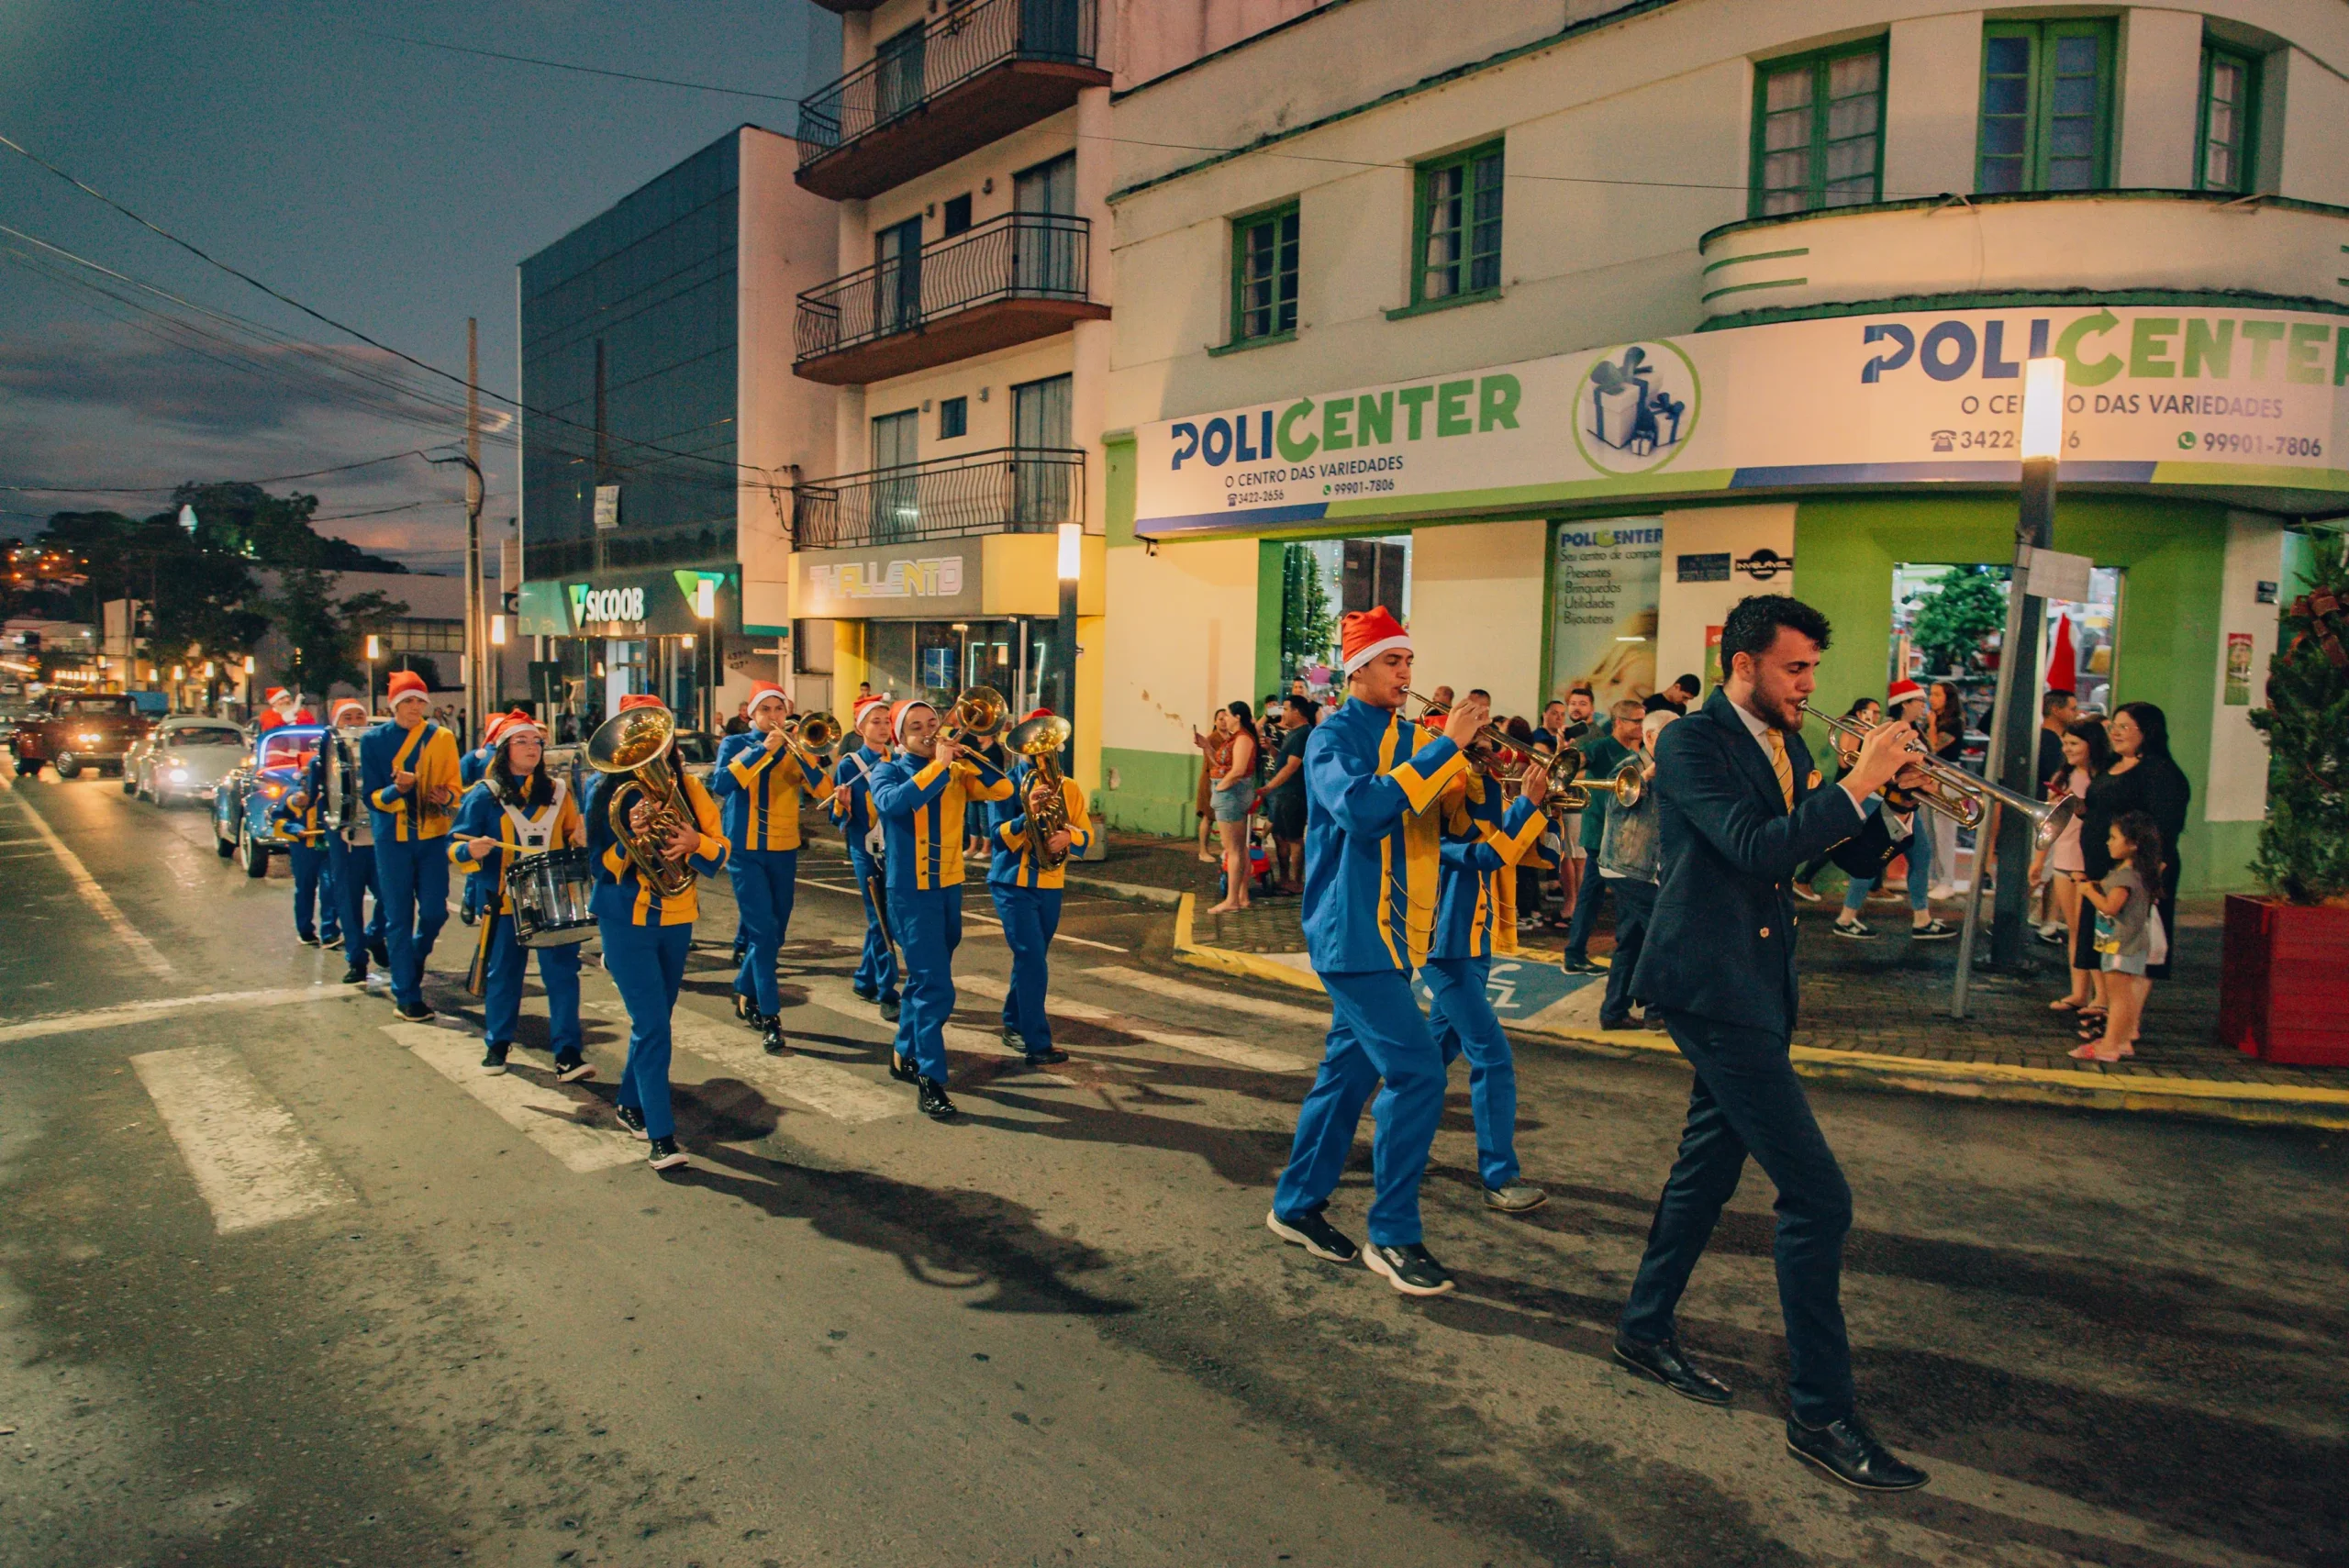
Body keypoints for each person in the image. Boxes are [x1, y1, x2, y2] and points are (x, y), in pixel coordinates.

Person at [1614, 593, 1931, 1493]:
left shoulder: (1790, 744)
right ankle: (1821, 1413)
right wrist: (1857, 780)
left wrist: (1888, 804)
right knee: (1819, 1197)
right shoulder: (1688, 740)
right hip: (1708, 985)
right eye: (1794, 668)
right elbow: (1755, 847)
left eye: (1813, 670)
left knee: (1707, 1168)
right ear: (1742, 663)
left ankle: (1643, 1327)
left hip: (1760, 986)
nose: (1808, 684)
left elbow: (1844, 861)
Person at [1266, 606, 1485, 1297]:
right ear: (1358, 670)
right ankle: (1390, 1235)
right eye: (1394, 662)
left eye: (1410, 662)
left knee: (1346, 1076)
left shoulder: (1405, 733)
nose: (1406, 673)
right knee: (1419, 1074)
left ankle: (1296, 1204)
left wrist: (1478, 771)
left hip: (1395, 933)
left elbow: (1445, 819)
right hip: (1351, 931)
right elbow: (1360, 809)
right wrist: (1443, 749)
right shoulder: (1334, 736)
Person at [586, 694, 729, 1171]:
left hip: (676, 917)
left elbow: (721, 853)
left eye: (657, 739)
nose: (653, 751)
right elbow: (599, 867)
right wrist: (628, 836)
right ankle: (661, 1136)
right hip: (625, 921)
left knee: (655, 1023)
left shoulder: (690, 787)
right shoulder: (606, 793)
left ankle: (629, 1101)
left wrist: (696, 843)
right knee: (653, 1027)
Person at [869, 699, 1012, 1118]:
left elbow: (1001, 790)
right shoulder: (888, 770)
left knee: (924, 981)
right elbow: (895, 805)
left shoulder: (955, 767)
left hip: (948, 886)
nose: (928, 731)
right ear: (899, 735)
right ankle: (931, 1078)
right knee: (936, 986)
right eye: (916, 727)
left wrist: (971, 756)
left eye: (934, 723)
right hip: (909, 892)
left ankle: (902, 1051)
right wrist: (940, 766)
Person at [1426, 734, 1551, 1214]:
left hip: (1474, 942)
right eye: (1474, 742)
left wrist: (1542, 808)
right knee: (1493, 1057)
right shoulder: (1434, 802)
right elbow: (1486, 853)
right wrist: (1528, 804)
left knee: (1431, 1057)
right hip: (1443, 946)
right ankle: (1499, 1176)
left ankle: (1395, 1142)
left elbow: (1517, 848)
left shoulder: (1479, 789)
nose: (1487, 753)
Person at [451, 710, 591, 1079]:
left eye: (536, 742)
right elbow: (453, 846)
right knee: (504, 975)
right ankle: (497, 1043)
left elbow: (573, 832)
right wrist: (469, 852)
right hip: (503, 901)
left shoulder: (559, 792)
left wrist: (581, 839)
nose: (532, 748)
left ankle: (568, 1053)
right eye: (521, 741)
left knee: (562, 976)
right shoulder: (484, 795)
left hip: (553, 899)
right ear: (503, 749)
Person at [711, 682, 835, 1055]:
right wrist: (763, 751)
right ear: (751, 714)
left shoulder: (796, 749)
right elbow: (722, 784)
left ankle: (744, 988)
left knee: (776, 934)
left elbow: (823, 791)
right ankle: (771, 1016)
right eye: (765, 710)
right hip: (744, 850)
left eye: (779, 710)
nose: (774, 717)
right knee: (763, 934)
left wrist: (803, 757)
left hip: (783, 849)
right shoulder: (736, 745)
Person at [988, 707, 1091, 1068]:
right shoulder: (1005, 784)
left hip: (1050, 882)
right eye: (1034, 743)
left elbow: (1086, 835)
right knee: (1032, 959)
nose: (1041, 751)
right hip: (1010, 883)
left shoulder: (1070, 788)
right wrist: (1025, 816)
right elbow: (996, 836)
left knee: (1031, 959)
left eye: (1047, 742)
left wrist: (1068, 836)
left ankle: (1014, 1022)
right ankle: (1037, 1042)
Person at [362, 671, 462, 1022]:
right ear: (394, 706)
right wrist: (397, 791)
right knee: (398, 916)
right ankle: (407, 994)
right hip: (392, 840)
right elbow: (371, 797)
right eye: (407, 701)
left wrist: (446, 795)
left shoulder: (443, 737)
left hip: (432, 836)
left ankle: (413, 959)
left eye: (420, 701)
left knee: (434, 911)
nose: (414, 707)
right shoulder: (373, 740)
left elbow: (455, 788)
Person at [1831, 682, 1953, 940]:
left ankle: (1922, 918)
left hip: (1906, 802)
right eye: (1918, 701)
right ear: (1905, 703)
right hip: (1880, 801)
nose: (1923, 705)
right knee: (1869, 859)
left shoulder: (1913, 729)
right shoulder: (1888, 729)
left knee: (1921, 856)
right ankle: (1846, 917)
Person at [293, 698, 386, 985]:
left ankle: (374, 935)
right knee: (349, 901)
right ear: (337, 724)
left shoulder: (380, 749)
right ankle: (356, 959)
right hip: (345, 839)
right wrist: (299, 800)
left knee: (391, 895)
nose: (356, 722)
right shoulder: (323, 756)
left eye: (360, 716)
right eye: (348, 718)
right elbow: (310, 796)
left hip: (379, 836)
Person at [2100, 702, 2190, 983]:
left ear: (2148, 732)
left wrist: (2149, 871)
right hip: (2118, 869)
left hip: (2141, 872)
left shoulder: (2161, 773)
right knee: (2114, 947)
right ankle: (2110, 1009)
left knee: (2136, 950)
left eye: (2125, 727)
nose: (2116, 733)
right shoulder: (2116, 764)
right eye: (2113, 726)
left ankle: (2126, 1020)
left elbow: (2165, 827)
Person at [1596, 707, 1673, 1029]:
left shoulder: (1666, 766)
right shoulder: (1629, 767)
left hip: (1639, 869)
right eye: (1672, 735)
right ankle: (1656, 1012)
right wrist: (1649, 775)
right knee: (1664, 935)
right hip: (1628, 868)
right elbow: (1614, 804)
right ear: (1650, 737)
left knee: (1631, 941)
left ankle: (1613, 1012)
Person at [2071, 811, 2165, 1062]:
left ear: (2133, 844)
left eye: (2114, 838)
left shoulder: (2125, 877)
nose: (2108, 842)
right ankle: (2121, 1041)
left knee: (2118, 998)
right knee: (2126, 996)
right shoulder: (2137, 874)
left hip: (2120, 946)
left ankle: (2110, 1046)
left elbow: (2110, 907)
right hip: (2130, 945)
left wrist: (2089, 891)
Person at [830, 695, 902, 1023]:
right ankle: (887, 990)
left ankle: (864, 978)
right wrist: (841, 804)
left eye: (887, 721)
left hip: (894, 848)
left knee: (883, 921)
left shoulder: (896, 760)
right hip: (864, 849)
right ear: (860, 727)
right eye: (876, 722)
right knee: (881, 921)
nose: (884, 727)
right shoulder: (850, 764)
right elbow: (838, 819)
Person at [1559, 698, 1643, 973]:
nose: (1641, 726)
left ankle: (1577, 954)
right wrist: (1565, 753)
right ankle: (1576, 954)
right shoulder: (1602, 746)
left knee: (1595, 896)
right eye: (1636, 721)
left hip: (1622, 835)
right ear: (1619, 722)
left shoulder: (1638, 751)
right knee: (1596, 896)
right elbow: (1576, 760)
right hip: (1601, 833)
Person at [2038, 717, 2110, 1018]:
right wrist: (2038, 861)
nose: (2066, 749)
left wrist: (2080, 805)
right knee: (2075, 931)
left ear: (2091, 745)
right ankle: (2079, 992)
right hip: (2065, 858)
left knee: (2094, 933)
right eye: (2065, 743)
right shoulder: (2063, 776)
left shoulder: (2104, 777)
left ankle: (2102, 996)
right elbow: (2049, 824)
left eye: (2073, 744)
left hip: (2091, 862)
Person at [1790, 696, 1878, 901]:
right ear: (1859, 714)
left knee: (1866, 839)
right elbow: (1844, 761)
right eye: (1870, 712)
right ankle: (1803, 879)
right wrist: (1860, 735)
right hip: (1848, 790)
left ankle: (1876, 886)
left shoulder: (1872, 733)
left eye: (1877, 713)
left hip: (1864, 792)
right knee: (1837, 841)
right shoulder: (1853, 730)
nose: (1874, 716)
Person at [274, 732, 340, 951]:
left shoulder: (334, 793)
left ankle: (330, 932)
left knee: (330, 887)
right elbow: (277, 819)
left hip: (329, 846)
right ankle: (305, 930)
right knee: (305, 888)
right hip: (304, 848)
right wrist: (296, 830)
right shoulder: (293, 794)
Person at [1205, 699, 1262, 915]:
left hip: (1231, 796)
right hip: (1230, 794)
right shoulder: (1237, 739)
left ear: (1237, 717)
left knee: (1233, 850)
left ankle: (1232, 899)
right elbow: (1224, 765)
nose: (1224, 719)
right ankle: (1241, 896)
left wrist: (1221, 787)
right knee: (1239, 848)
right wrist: (1207, 747)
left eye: (1227, 715)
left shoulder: (1243, 739)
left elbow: (1237, 770)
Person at [1258, 697, 1314, 894]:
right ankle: (1284, 879)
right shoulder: (1293, 734)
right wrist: (1272, 749)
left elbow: (1292, 766)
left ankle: (1296, 882)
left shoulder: (1303, 734)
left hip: (1293, 795)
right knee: (1279, 836)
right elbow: (1283, 760)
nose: (1284, 714)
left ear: (1297, 712)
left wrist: (1269, 787)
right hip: (1283, 794)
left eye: (1287, 709)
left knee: (1294, 838)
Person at [1924, 681, 1967, 902]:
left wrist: (1931, 725)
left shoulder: (1954, 723)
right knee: (1929, 830)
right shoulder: (1936, 719)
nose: (1932, 698)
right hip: (1932, 774)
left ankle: (1947, 880)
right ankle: (1934, 876)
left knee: (1945, 831)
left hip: (1948, 776)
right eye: (1931, 694)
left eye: (1937, 695)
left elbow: (1933, 748)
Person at [454, 728, 498, 927]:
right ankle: (470, 900)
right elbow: (459, 780)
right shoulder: (475, 756)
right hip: (482, 811)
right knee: (478, 860)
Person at [1192, 710, 1234, 864]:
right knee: (1208, 816)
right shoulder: (1211, 739)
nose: (1223, 721)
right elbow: (1213, 761)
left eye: (1226, 718)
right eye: (1220, 719)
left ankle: (1228, 850)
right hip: (1211, 780)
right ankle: (1203, 850)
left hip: (1228, 781)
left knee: (1228, 818)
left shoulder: (1232, 737)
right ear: (1215, 721)